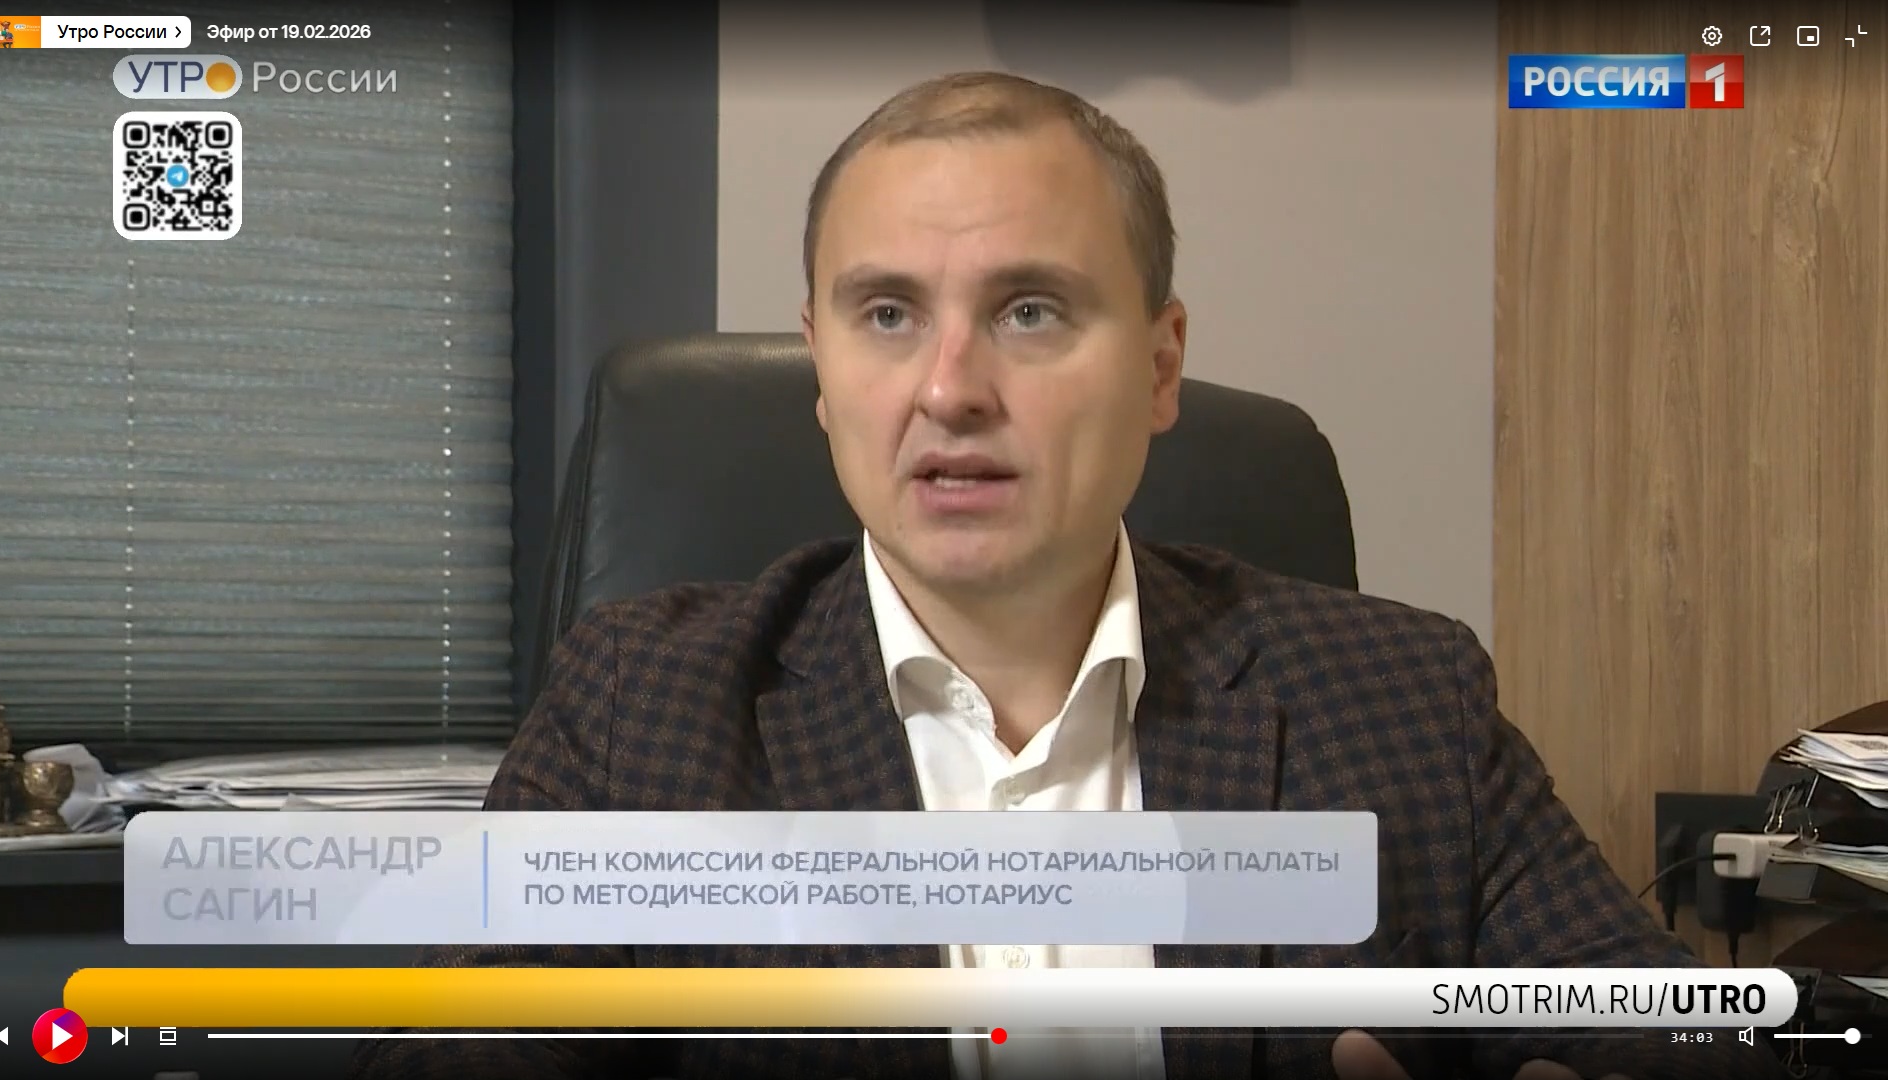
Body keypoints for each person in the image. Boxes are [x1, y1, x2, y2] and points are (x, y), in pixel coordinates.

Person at [352, 72, 1783, 1080]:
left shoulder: (1401, 698)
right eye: (886, 314)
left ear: (1160, 366)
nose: (950, 388)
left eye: (1030, 311)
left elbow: (1677, 1031)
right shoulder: (646, 709)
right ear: (822, 373)